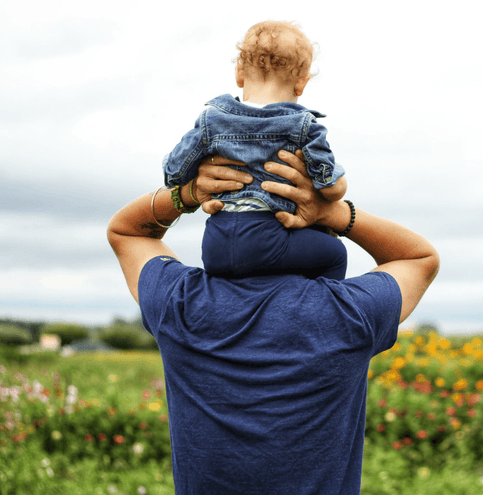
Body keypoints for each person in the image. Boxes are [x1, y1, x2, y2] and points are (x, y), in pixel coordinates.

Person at [107, 150, 439, 494]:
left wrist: (187, 194)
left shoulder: (182, 303)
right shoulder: (349, 313)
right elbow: (418, 258)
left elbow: (128, 232)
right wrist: (336, 212)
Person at [162, 20, 348, 279]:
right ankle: (322, 311)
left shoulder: (211, 119)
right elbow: (330, 187)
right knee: (335, 254)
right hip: (270, 239)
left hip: (216, 244)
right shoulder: (303, 125)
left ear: (239, 74)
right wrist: (338, 185)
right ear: (301, 84)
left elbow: (174, 173)